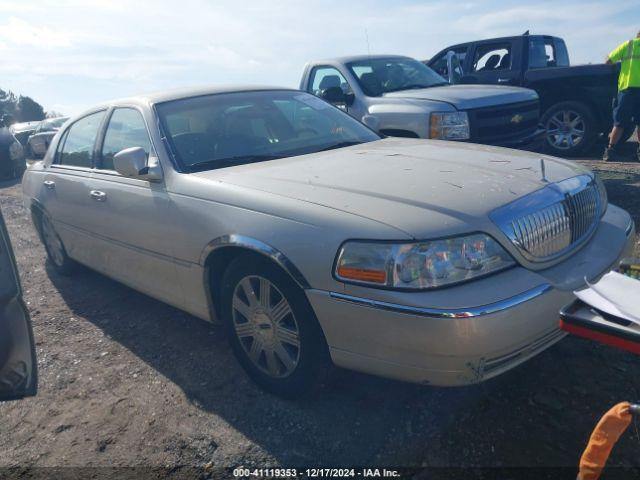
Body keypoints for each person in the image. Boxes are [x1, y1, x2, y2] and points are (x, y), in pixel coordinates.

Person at [603, 32, 640, 162]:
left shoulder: (628, 45)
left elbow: (608, 61)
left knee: (619, 123)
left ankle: (610, 151)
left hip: (627, 89)